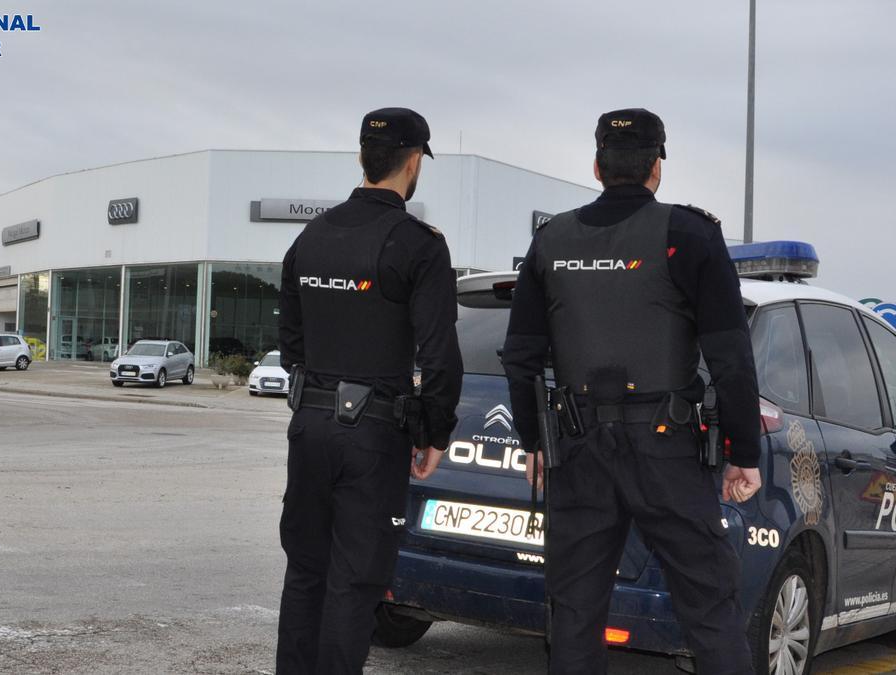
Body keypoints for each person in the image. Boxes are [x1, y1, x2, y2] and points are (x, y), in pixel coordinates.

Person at [502, 108, 763, 675]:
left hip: (577, 447)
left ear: (597, 166)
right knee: (710, 607)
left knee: (573, 612)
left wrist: (535, 442)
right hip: (666, 447)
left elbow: (520, 356)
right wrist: (744, 453)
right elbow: (731, 359)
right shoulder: (691, 234)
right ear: (657, 168)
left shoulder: (550, 240)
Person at [275, 107, 463, 674]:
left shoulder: (311, 236)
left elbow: (290, 343)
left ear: (363, 157)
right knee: (355, 583)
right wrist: (435, 432)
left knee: (306, 572)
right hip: (374, 436)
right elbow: (438, 355)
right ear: (413, 163)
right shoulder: (419, 243)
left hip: (308, 428)